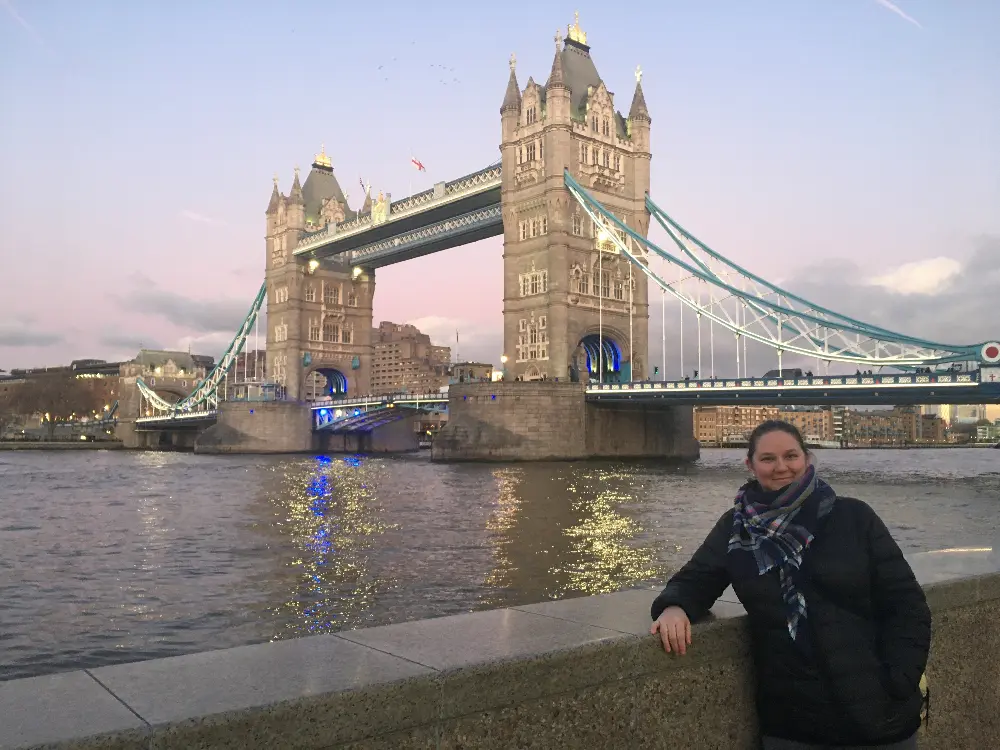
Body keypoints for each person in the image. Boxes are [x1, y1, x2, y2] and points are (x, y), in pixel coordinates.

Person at [650, 420, 930, 749]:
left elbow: (907, 606)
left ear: (807, 459)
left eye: (791, 456)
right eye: (767, 459)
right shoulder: (737, 529)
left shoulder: (853, 517)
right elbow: (695, 579)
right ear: (750, 466)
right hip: (793, 721)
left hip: (880, 718)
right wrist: (674, 607)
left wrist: (897, 682)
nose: (781, 467)